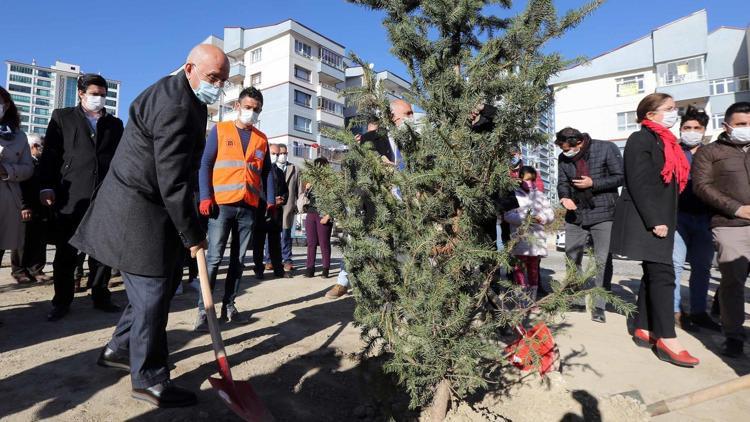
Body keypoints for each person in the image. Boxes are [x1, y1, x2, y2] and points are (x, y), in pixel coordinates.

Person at [70, 44, 229, 407]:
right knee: (153, 294)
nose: (218, 86)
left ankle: (118, 348)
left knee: (165, 281)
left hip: (153, 206)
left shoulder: (186, 96)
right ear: (190, 68)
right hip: (136, 209)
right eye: (212, 77)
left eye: (223, 80)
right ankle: (149, 379)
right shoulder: (174, 104)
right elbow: (171, 178)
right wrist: (193, 233)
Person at [610, 93, 699, 367]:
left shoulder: (666, 141)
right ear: (650, 115)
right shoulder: (641, 139)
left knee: (653, 272)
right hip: (649, 219)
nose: (675, 113)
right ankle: (667, 337)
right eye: (669, 109)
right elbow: (638, 183)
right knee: (664, 274)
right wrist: (655, 220)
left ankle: (644, 327)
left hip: (660, 218)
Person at [40, 73, 124, 320]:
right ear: (81, 93)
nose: (98, 99)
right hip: (71, 196)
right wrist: (46, 186)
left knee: (101, 253)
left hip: (104, 197)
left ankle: (100, 294)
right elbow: (50, 156)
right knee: (67, 254)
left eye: (102, 95)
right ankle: (62, 301)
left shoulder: (114, 124)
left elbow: (120, 160)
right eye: (94, 94)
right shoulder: (62, 118)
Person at [194, 86, 272, 331]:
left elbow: (267, 172)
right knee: (215, 258)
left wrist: (269, 199)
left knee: (238, 261)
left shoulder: (261, 138)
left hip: (248, 206)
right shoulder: (220, 130)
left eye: (256, 109)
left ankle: (229, 305)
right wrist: (205, 196)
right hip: (221, 205)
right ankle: (204, 309)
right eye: (248, 107)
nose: (251, 112)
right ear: (237, 106)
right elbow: (205, 164)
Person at [692, 101, 750, 358]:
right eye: (741, 124)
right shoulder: (710, 152)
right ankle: (734, 335)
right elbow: (702, 186)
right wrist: (737, 208)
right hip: (730, 224)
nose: (746, 129)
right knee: (733, 281)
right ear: (727, 125)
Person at [556, 127, 623, 323]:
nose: (566, 152)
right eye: (562, 149)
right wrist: (564, 197)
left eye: (568, 148)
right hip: (575, 213)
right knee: (572, 256)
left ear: (579, 142)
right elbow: (562, 182)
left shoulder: (606, 148)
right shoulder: (563, 158)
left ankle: (599, 304)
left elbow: (620, 176)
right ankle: (576, 299)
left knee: (601, 260)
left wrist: (593, 183)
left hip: (603, 213)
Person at [671, 106, 720, 332]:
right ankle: (675, 312)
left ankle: (699, 312)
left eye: (696, 128)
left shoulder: (712, 153)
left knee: (702, 268)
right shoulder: (672, 151)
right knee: (675, 265)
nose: (691, 131)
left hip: (705, 218)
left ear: (704, 130)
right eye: (687, 127)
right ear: (680, 129)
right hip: (677, 217)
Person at [504, 166, 554, 301]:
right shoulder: (513, 194)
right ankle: (521, 300)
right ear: (520, 179)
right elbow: (508, 216)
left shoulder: (540, 195)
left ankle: (532, 300)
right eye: (527, 179)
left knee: (533, 271)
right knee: (519, 270)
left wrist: (541, 218)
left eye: (533, 180)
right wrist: (525, 219)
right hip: (520, 239)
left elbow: (550, 215)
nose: (530, 182)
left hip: (536, 240)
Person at [0, 86, 34, 271]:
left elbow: (28, 169)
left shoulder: (19, 137)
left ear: (6, 105)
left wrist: (6, 170)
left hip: (5, 205)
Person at [11, 134, 52, 283]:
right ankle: (19, 271)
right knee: (21, 241)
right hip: (24, 208)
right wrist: (23, 206)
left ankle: (36, 270)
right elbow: (17, 187)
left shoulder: (42, 164)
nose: (43, 149)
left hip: (40, 208)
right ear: (33, 147)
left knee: (39, 240)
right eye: (41, 145)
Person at [254, 143, 288, 279]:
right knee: (259, 242)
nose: (277, 156)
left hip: (275, 213)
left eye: (278, 154)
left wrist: (282, 199)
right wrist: (270, 199)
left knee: (275, 243)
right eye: (274, 154)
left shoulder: (279, 172)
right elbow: (255, 190)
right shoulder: (258, 170)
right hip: (261, 211)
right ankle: (258, 269)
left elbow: (285, 190)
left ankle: (278, 270)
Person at [301, 157, 333, 278]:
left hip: (323, 214)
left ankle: (325, 268)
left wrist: (329, 215)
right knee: (311, 242)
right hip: (311, 213)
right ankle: (310, 268)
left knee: (324, 243)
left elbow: (335, 200)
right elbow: (308, 198)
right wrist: (307, 189)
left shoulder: (331, 181)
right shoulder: (313, 181)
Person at [278, 143, 300, 277]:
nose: (283, 155)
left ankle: (287, 259)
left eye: (285, 153)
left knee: (286, 234)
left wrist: (297, 204)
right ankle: (269, 259)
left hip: (288, 205)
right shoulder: (271, 167)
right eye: (280, 153)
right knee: (272, 235)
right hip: (274, 206)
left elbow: (298, 188)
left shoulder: (294, 168)